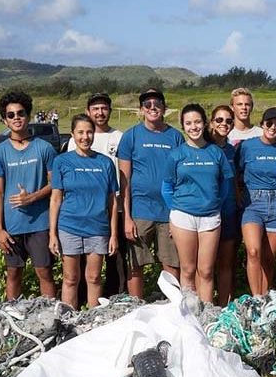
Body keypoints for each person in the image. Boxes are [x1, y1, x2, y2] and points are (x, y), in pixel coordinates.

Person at [162, 104, 233, 303]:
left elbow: (225, 186)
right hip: (183, 217)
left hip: (210, 218)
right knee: (188, 269)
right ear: (183, 126)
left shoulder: (216, 153)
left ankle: (206, 315)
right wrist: (174, 211)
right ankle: (189, 316)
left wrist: (214, 205)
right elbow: (167, 188)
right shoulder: (176, 154)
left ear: (205, 123)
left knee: (206, 270)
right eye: (189, 123)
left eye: (197, 122)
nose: (194, 127)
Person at [117, 89, 184, 298]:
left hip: (168, 211)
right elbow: (124, 180)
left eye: (157, 104)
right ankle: (135, 306)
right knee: (136, 264)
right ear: (141, 109)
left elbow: (182, 177)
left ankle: (171, 307)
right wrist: (126, 217)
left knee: (172, 263)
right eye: (147, 104)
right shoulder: (131, 136)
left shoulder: (175, 137)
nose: (152, 107)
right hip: (140, 211)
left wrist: (178, 214)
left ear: (164, 108)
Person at [0, 91, 57, 300]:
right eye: (10, 115)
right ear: (4, 119)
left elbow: (55, 183)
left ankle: (52, 317)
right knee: (13, 275)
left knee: (44, 273)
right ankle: (12, 318)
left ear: (28, 115)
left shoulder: (44, 148)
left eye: (20, 113)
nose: (16, 118)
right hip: (12, 225)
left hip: (39, 223)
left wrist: (33, 197)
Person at [49, 115, 119, 309]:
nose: (85, 137)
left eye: (89, 132)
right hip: (69, 227)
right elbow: (55, 199)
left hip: (98, 228)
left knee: (94, 277)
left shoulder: (105, 163)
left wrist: (113, 234)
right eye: (80, 132)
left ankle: (92, 321)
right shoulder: (62, 161)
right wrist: (52, 233)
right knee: (71, 278)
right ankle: (68, 320)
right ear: (72, 135)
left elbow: (112, 201)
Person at [66, 92, 127, 296]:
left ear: (110, 111)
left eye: (104, 108)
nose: (100, 113)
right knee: (81, 264)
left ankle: (115, 299)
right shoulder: (74, 141)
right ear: (88, 111)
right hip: (83, 215)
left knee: (115, 260)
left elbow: (125, 176)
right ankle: (82, 300)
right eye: (95, 109)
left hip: (112, 209)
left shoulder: (119, 138)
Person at [237, 107, 276, 295]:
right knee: (253, 252)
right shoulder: (247, 146)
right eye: (269, 123)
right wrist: (238, 195)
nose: (273, 128)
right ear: (262, 124)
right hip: (252, 203)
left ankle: (266, 296)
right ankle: (255, 298)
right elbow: (236, 172)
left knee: (268, 258)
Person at [210, 105, 239, 306]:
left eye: (229, 121)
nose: (224, 124)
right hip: (207, 212)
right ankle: (204, 304)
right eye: (219, 120)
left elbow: (235, 178)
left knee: (226, 263)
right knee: (205, 264)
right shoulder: (205, 146)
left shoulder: (231, 149)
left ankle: (223, 306)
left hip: (228, 211)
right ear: (212, 122)